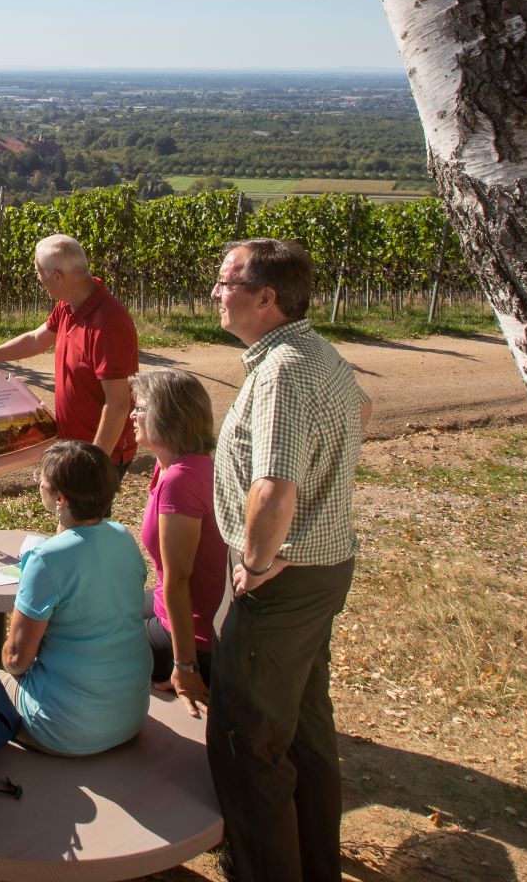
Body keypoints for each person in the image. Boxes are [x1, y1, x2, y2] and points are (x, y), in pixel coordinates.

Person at [207, 237, 368, 882]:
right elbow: (353, 421)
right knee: (303, 728)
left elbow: (273, 488)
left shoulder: (281, 372)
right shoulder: (317, 353)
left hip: (279, 583)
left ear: (265, 298)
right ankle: (313, 865)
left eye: (227, 283)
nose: (216, 293)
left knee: (249, 743)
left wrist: (253, 563)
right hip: (319, 572)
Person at [0, 440, 149, 755]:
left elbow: (16, 659)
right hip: (130, 716)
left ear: (60, 499)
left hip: (64, 729)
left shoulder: (46, 559)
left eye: (42, 480)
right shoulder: (123, 538)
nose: (38, 483)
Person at [0, 234, 137, 464]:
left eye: (39, 273)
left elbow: (118, 404)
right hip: (75, 448)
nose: (38, 279)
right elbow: (35, 339)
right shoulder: (68, 305)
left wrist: (96, 465)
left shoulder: (108, 323)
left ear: (57, 277)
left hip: (100, 455)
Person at [133, 368, 225, 712]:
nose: (132, 415)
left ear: (167, 417)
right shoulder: (173, 465)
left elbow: (180, 578)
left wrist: (186, 667)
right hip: (171, 605)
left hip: (194, 637)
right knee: (94, 610)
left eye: (140, 408)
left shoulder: (181, 480)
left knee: (82, 641)